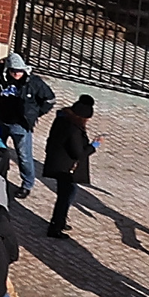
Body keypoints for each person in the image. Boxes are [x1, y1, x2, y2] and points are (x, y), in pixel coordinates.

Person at [40, 93, 98, 241]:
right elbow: (78, 152)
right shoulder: (74, 130)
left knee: (65, 194)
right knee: (65, 197)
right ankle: (56, 226)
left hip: (57, 162)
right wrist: (93, 146)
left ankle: (60, 221)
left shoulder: (62, 118)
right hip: (65, 168)